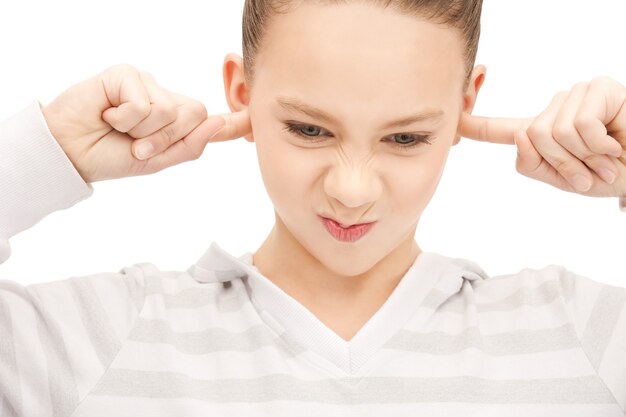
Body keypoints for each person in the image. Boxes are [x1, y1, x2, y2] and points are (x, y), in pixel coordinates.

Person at [1, 0, 625, 415]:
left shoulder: (580, 332)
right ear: (241, 91)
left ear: (466, 105)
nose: (352, 191)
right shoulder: (102, 337)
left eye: (405, 138)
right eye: (308, 130)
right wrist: (46, 153)